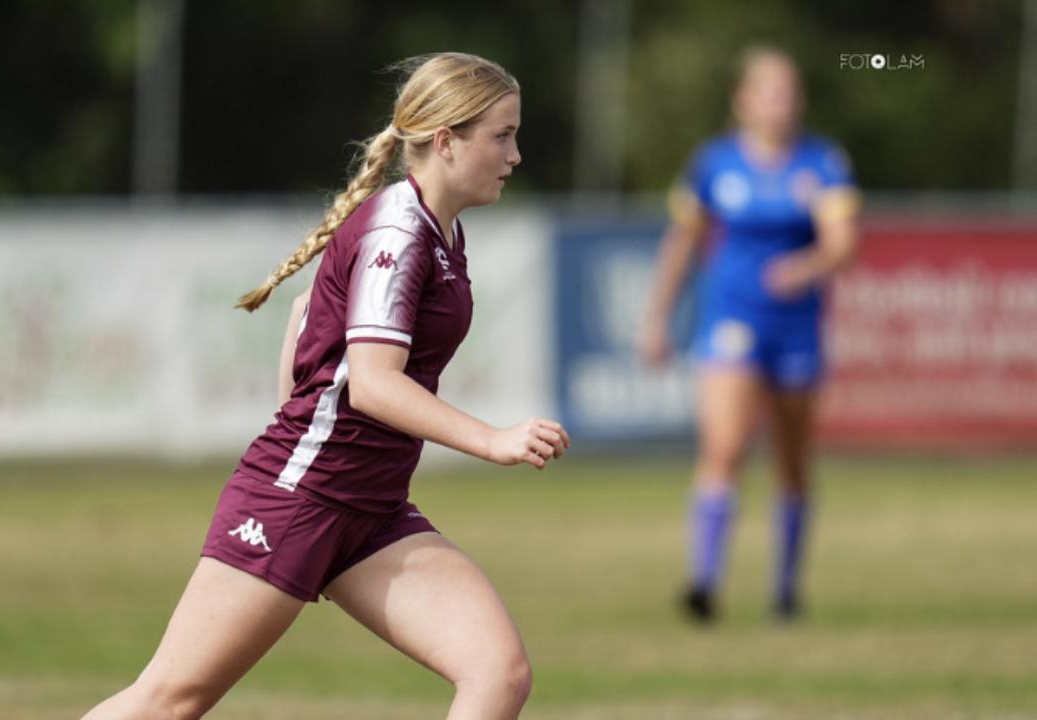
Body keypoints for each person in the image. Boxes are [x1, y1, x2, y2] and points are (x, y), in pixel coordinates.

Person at [83, 52, 570, 720]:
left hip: (369, 508)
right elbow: (372, 385)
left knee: (497, 672)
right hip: (303, 499)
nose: (515, 154)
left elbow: (307, 308)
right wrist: (492, 440)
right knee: (170, 701)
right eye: (503, 135)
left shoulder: (436, 227)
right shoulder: (399, 230)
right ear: (446, 140)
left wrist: (301, 419)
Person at [637, 46, 861, 623]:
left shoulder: (822, 163)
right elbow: (683, 242)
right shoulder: (714, 164)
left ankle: (785, 590)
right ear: (743, 101)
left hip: (797, 328)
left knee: (791, 459)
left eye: (789, 92)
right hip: (733, 321)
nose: (781, 103)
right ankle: (704, 584)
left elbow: (842, 243)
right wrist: (658, 316)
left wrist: (804, 269)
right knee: (725, 446)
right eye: (769, 91)